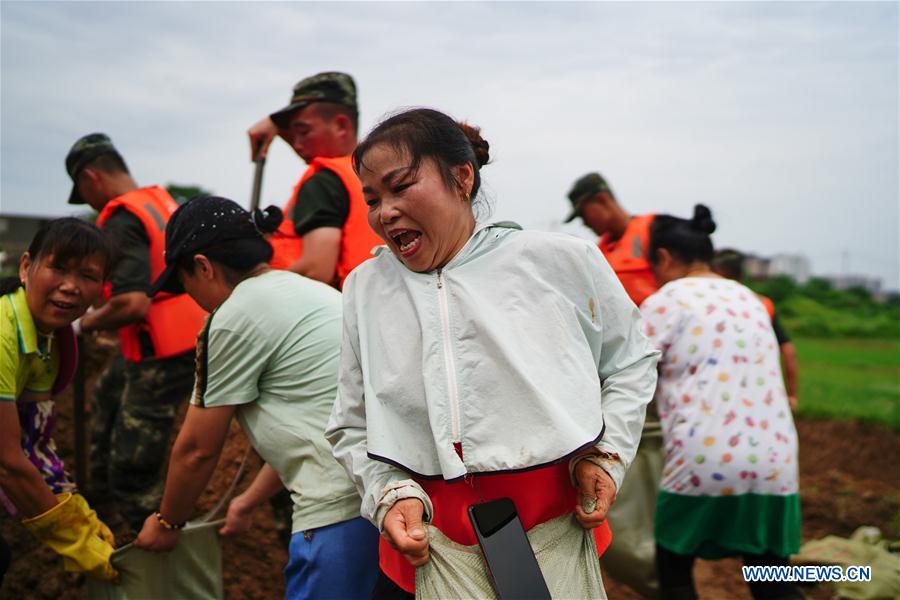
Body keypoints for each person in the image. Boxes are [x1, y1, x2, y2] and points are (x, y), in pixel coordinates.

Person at [326, 108, 659, 597]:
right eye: (373, 199)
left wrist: (607, 455)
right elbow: (351, 422)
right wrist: (387, 494)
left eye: (401, 187)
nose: (385, 211)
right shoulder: (365, 288)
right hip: (427, 542)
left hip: (553, 530)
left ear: (462, 178)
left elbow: (629, 361)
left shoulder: (558, 263)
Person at [133, 197, 379, 599]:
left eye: (184, 284)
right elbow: (314, 424)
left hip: (338, 517)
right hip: (386, 502)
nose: (190, 297)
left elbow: (197, 449)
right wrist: (248, 501)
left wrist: (166, 523)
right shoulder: (310, 293)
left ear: (203, 266)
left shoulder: (233, 317)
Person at [641, 205, 802, 600]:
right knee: (771, 577)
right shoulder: (751, 299)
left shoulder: (667, 300)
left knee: (674, 565)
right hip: (776, 463)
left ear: (662, 258)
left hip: (705, 460)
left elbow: (630, 372)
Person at [64, 133, 207, 529]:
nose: (91, 206)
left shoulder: (122, 217)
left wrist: (84, 322)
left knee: (133, 464)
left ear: (91, 178)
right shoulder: (160, 201)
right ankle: (98, 506)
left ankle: (142, 539)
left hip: (159, 352)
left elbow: (132, 304)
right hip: (183, 339)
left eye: (85, 195)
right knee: (106, 404)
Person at [0, 218, 117, 581]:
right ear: (25, 267)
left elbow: (32, 444)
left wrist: (78, 514)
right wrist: (75, 540)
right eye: (59, 268)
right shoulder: (3, 331)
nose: (71, 287)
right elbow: (6, 461)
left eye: (87, 275)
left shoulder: (48, 339)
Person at [564, 171, 664, 597]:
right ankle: (639, 549)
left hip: (660, 371)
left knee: (657, 460)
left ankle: (663, 549)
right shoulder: (598, 253)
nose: (585, 223)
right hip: (614, 371)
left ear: (601, 200)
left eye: (585, 213)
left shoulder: (653, 230)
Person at [247, 71, 381, 287]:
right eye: (291, 134)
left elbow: (315, 270)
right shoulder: (377, 173)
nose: (297, 144)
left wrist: (252, 292)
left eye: (303, 131)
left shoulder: (323, 182)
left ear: (340, 126)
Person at [713, 249, 799, 410]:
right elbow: (788, 351)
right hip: (759, 391)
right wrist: (792, 395)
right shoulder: (763, 304)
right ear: (741, 274)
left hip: (718, 391)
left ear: (715, 272)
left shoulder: (707, 305)